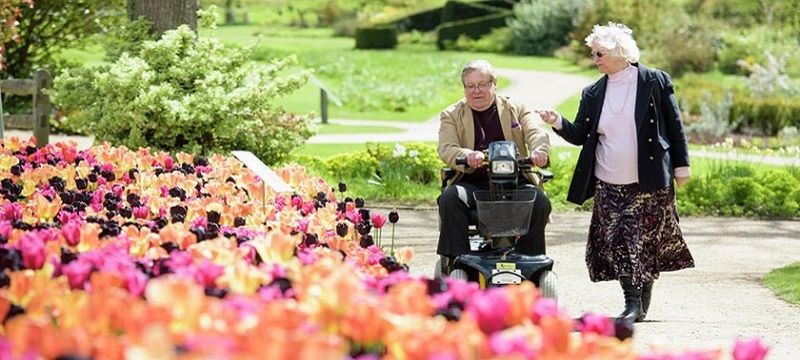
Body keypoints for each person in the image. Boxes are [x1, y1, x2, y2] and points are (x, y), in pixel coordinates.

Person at [536, 22, 695, 323]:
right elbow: (581, 133)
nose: (595, 59)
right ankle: (632, 304)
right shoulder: (593, 92)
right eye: (593, 54)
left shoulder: (655, 80)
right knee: (620, 242)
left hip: (649, 180)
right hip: (608, 180)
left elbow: (674, 126)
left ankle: (640, 304)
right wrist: (557, 121)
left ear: (621, 51)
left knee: (645, 242)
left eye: (600, 53)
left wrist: (681, 167)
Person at [437, 59, 552, 266]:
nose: (476, 91)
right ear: (464, 88)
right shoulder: (451, 114)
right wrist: (468, 155)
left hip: (514, 181)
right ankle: (457, 262)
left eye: (482, 84)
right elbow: (447, 148)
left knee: (540, 202)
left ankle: (530, 261)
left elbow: (536, 133)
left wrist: (539, 151)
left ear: (494, 84)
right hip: (472, 183)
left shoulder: (516, 107)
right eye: (470, 86)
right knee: (450, 198)